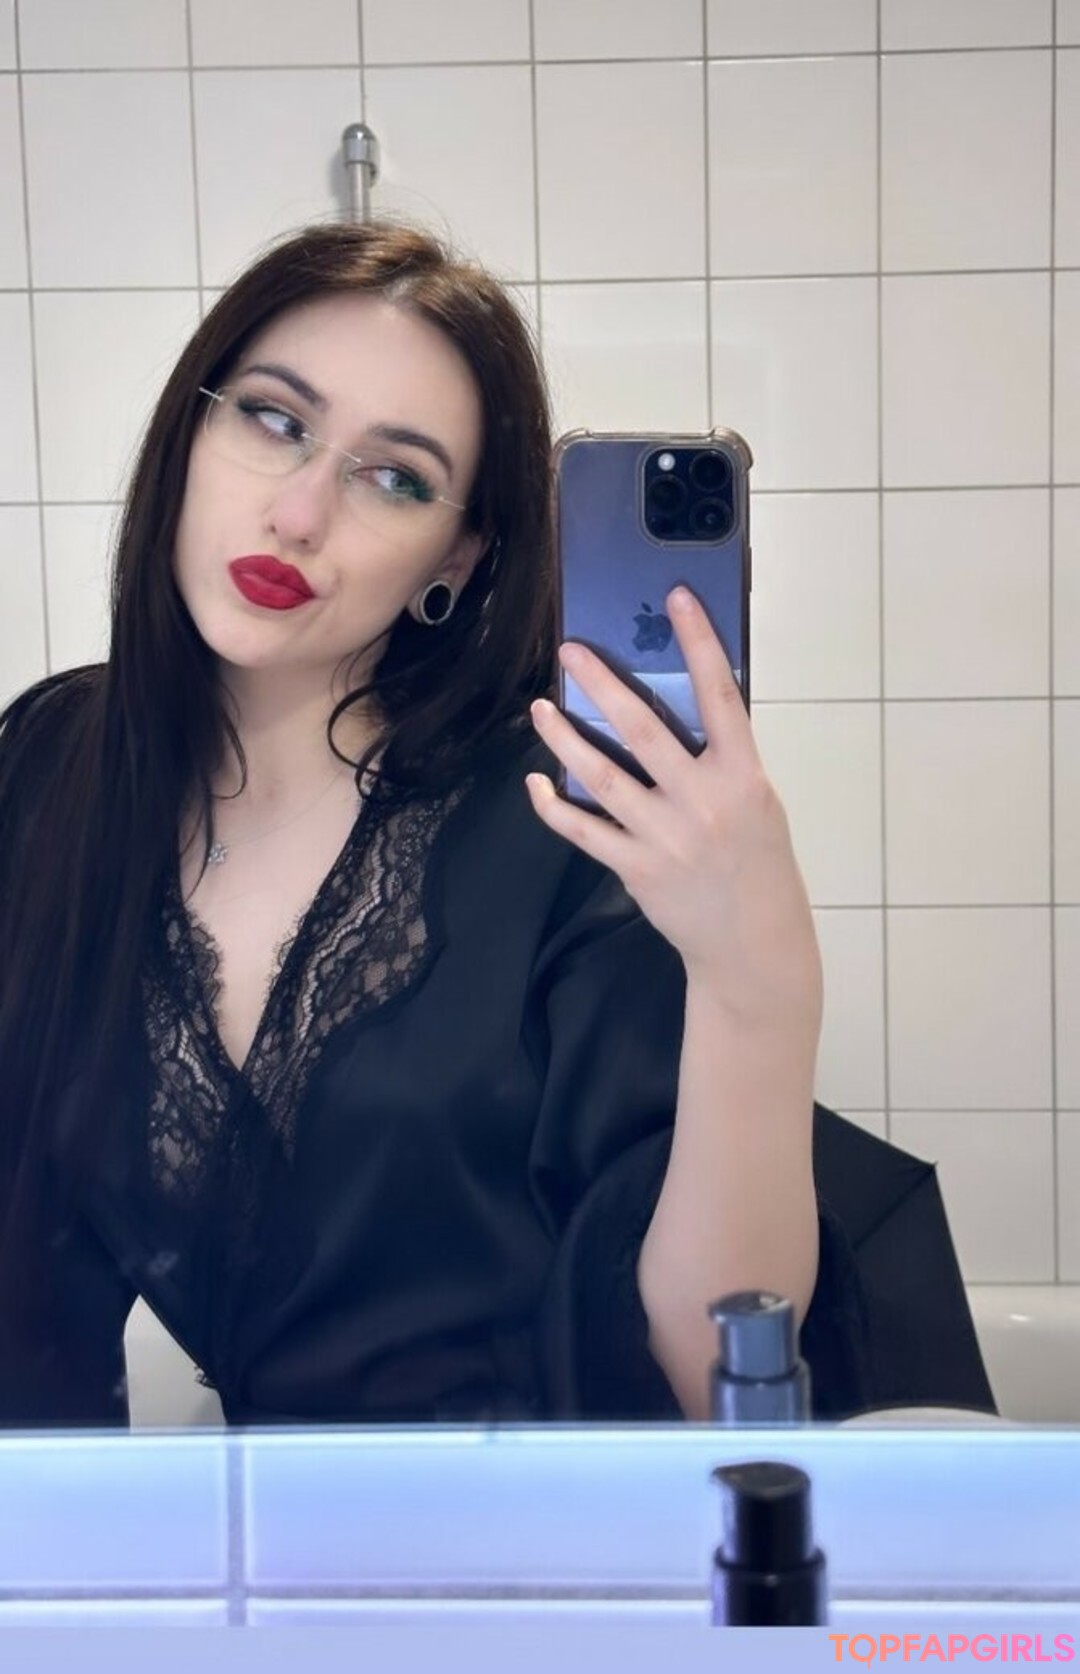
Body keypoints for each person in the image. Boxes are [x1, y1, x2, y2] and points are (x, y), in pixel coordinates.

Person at [0, 218, 960, 1428]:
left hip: (555, 1525)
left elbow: (707, 1370)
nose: (299, 513)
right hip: (261, 1530)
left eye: (396, 477)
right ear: (190, 428)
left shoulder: (565, 821)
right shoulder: (55, 770)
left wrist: (758, 990)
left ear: (453, 558)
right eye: (274, 420)